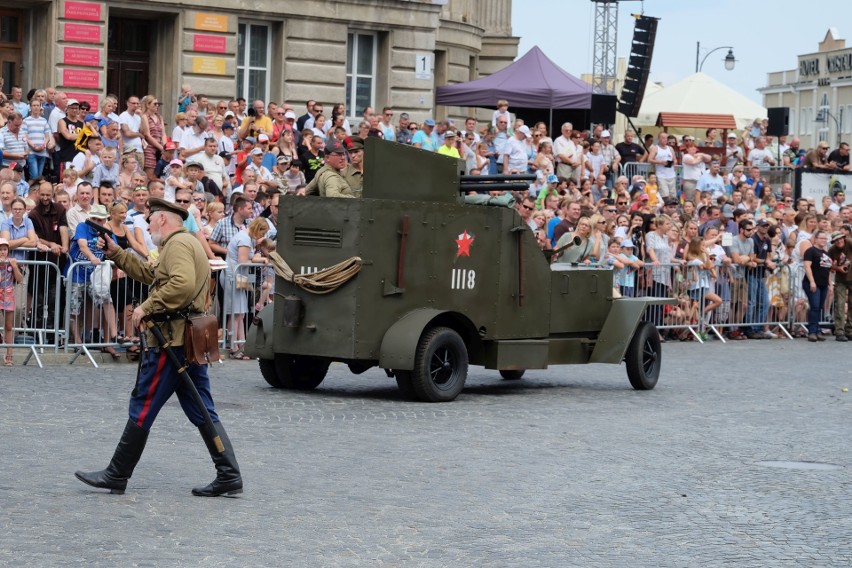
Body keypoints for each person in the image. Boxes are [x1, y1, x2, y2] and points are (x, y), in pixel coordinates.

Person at [75, 197, 243, 497]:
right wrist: (118, 253)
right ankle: (229, 473)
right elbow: (156, 277)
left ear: (163, 220)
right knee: (202, 406)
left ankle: (117, 473)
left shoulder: (177, 245)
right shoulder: (185, 243)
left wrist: (146, 307)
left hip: (172, 340)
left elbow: (180, 285)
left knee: (144, 403)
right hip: (186, 338)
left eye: (150, 218)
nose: (147, 224)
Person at [802, 230, 832, 342]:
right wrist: (812, 281)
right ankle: (812, 331)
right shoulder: (810, 251)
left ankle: (817, 330)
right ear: (815, 238)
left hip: (824, 283)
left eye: (825, 238)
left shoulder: (826, 253)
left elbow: (828, 270)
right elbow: (807, 266)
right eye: (821, 238)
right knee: (814, 306)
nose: (824, 240)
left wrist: (830, 284)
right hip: (812, 283)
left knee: (819, 307)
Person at [0, 237, 21, 366]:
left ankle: (9, 354)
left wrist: (14, 267)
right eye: (0, 249)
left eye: (5, 249)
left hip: (8, 294)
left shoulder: (11, 262)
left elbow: (19, 279)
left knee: (8, 326)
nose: (3, 252)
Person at [827, 230, 852, 341]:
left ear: (844, 238)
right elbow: (829, 265)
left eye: (840, 238)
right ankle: (839, 331)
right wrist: (838, 268)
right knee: (840, 304)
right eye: (836, 240)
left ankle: (850, 330)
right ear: (833, 241)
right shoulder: (832, 250)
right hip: (841, 279)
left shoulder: (850, 243)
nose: (839, 241)